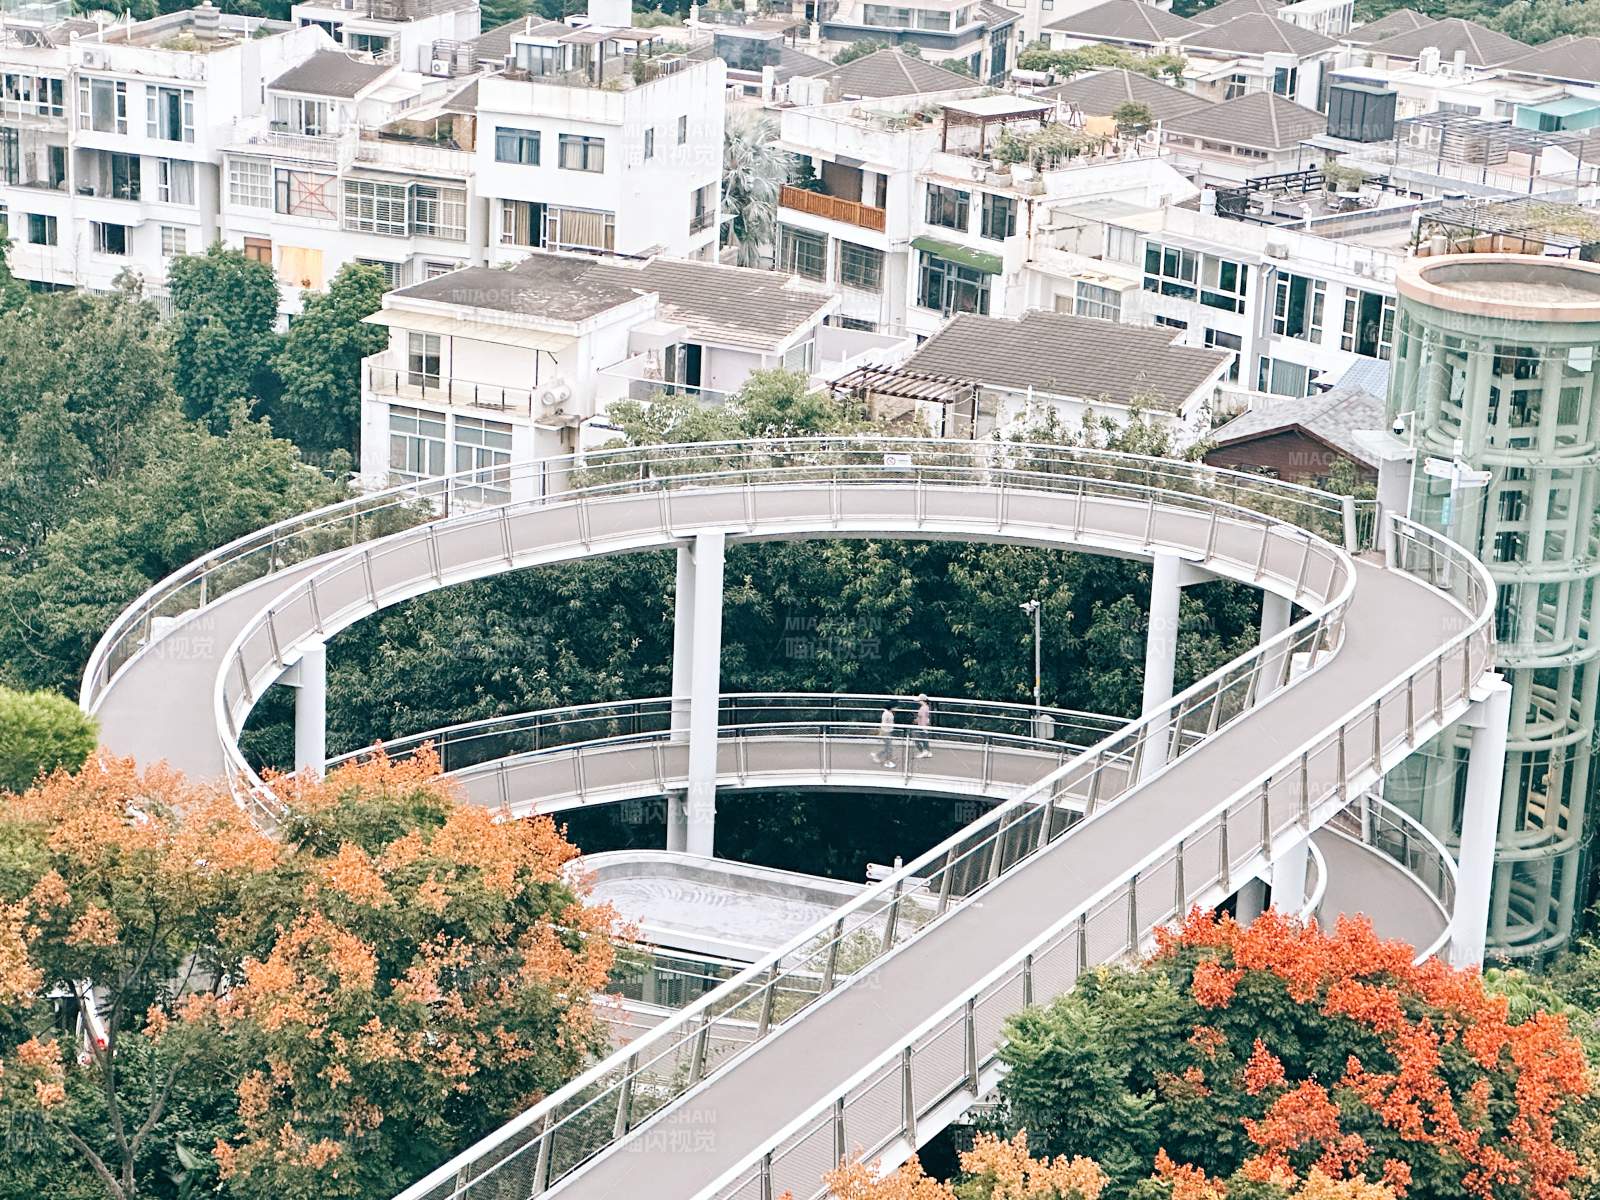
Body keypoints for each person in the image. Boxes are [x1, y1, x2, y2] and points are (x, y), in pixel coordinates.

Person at [872, 703, 897, 768]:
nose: (895, 709)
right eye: (894, 707)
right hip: (886, 732)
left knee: (888, 747)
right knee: (889, 748)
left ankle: (878, 756)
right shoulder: (886, 714)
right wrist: (880, 734)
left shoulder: (889, 713)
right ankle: (887, 762)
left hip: (888, 732)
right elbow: (883, 724)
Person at [913, 694, 932, 759]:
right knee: (924, 739)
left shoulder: (923, 708)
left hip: (922, 726)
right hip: (923, 726)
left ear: (922, 700)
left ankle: (923, 752)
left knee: (917, 739)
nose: (918, 701)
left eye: (919, 700)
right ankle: (928, 752)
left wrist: (923, 727)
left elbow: (923, 718)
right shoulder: (926, 707)